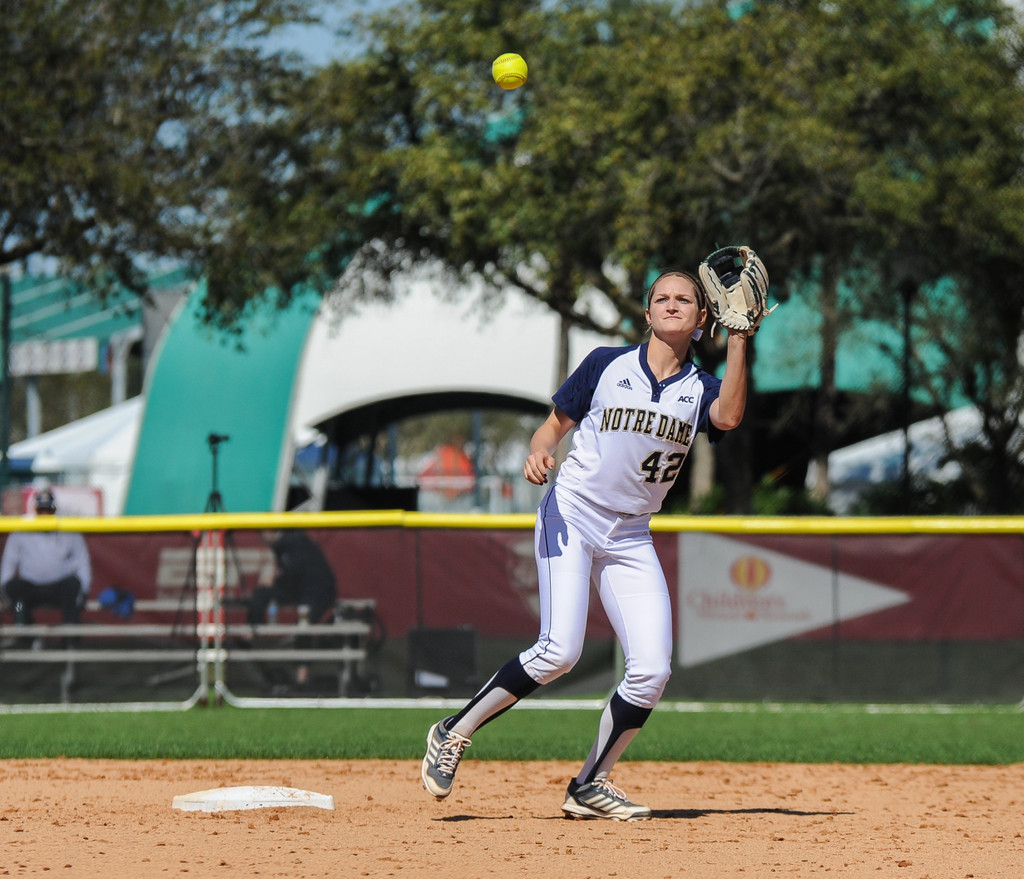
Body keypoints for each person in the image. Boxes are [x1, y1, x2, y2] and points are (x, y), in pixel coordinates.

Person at [420, 268, 751, 820]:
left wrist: (738, 338)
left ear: (701, 319)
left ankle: (590, 784)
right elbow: (552, 427)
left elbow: (730, 417)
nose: (671, 304)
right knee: (560, 650)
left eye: (684, 299)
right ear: (647, 313)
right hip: (573, 511)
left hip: (631, 533)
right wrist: (538, 450)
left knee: (652, 670)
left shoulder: (701, 389)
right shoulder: (606, 365)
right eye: (661, 298)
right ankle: (452, 731)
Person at [247, 528, 338, 686]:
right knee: (261, 593)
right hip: (298, 589)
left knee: (304, 623)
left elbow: (295, 571)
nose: (262, 537)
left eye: (264, 532)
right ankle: (249, 633)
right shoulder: (280, 546)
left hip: (317, 590)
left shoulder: (294, 540)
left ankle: (302, 676)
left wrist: (275, 580)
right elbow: (287, 576)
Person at [1, 488, 92, 624]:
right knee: (14, 593)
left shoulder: (68, 527)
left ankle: (70, 631)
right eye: (41, 510)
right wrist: (4, 588)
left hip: (59, 586)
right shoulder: (21, 527)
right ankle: (23, 628)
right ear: (35, 509)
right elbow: (9, 561)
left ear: (54, 510)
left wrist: (84, 589)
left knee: (74, 586)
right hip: (30, 587)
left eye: (48, 510)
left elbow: (81, 560)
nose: (45, 514)